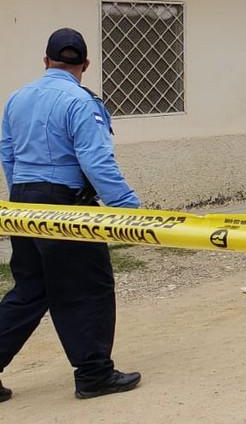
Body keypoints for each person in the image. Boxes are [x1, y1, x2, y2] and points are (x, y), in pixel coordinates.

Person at [0, 28, 142, 402]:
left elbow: (8, 155)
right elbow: (96, 161)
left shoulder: (17, 99)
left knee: (31, 290)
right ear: (86, 65)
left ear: (46, 61)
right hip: (65, 205)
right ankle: (95, 374)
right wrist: (130, 211)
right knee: (88, 288)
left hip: (23, 201)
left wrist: (23, 201)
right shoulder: (80, 102)